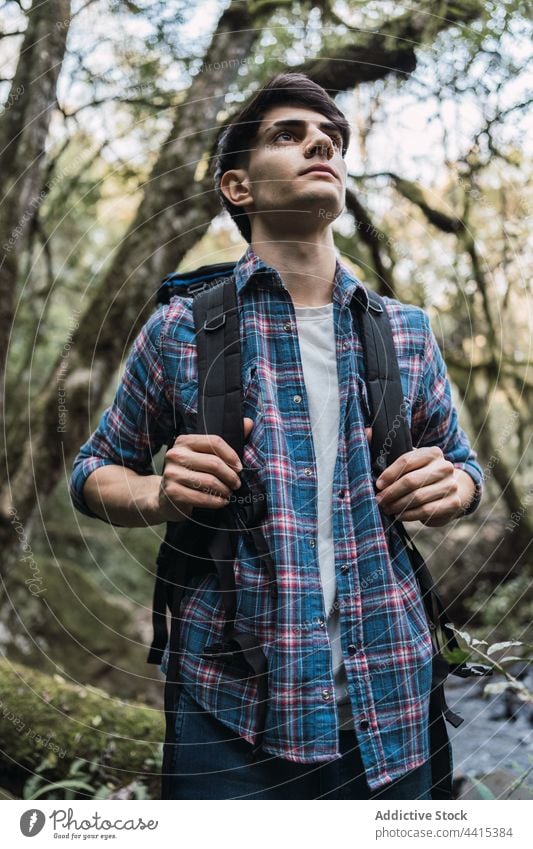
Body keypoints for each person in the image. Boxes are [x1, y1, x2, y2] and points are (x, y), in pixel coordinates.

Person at [69, 73, 483, 800]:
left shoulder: (408, 334)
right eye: (287, 135)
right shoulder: (182, 329)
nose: (320, 142)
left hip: (392, 701)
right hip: (227, 708)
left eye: (331, 138)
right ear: (238, 186)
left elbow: (464, 466)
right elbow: (94, 472)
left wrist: (455, 487)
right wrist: (162, 492)